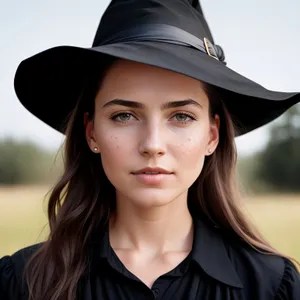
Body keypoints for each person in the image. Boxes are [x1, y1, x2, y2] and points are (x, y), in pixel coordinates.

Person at [1, 0, 300, 299]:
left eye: (181, 116)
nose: (152, 145)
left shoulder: (271, 287)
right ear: (91, 133)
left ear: (212, 136)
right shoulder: (22, 284)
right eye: (124, 116)